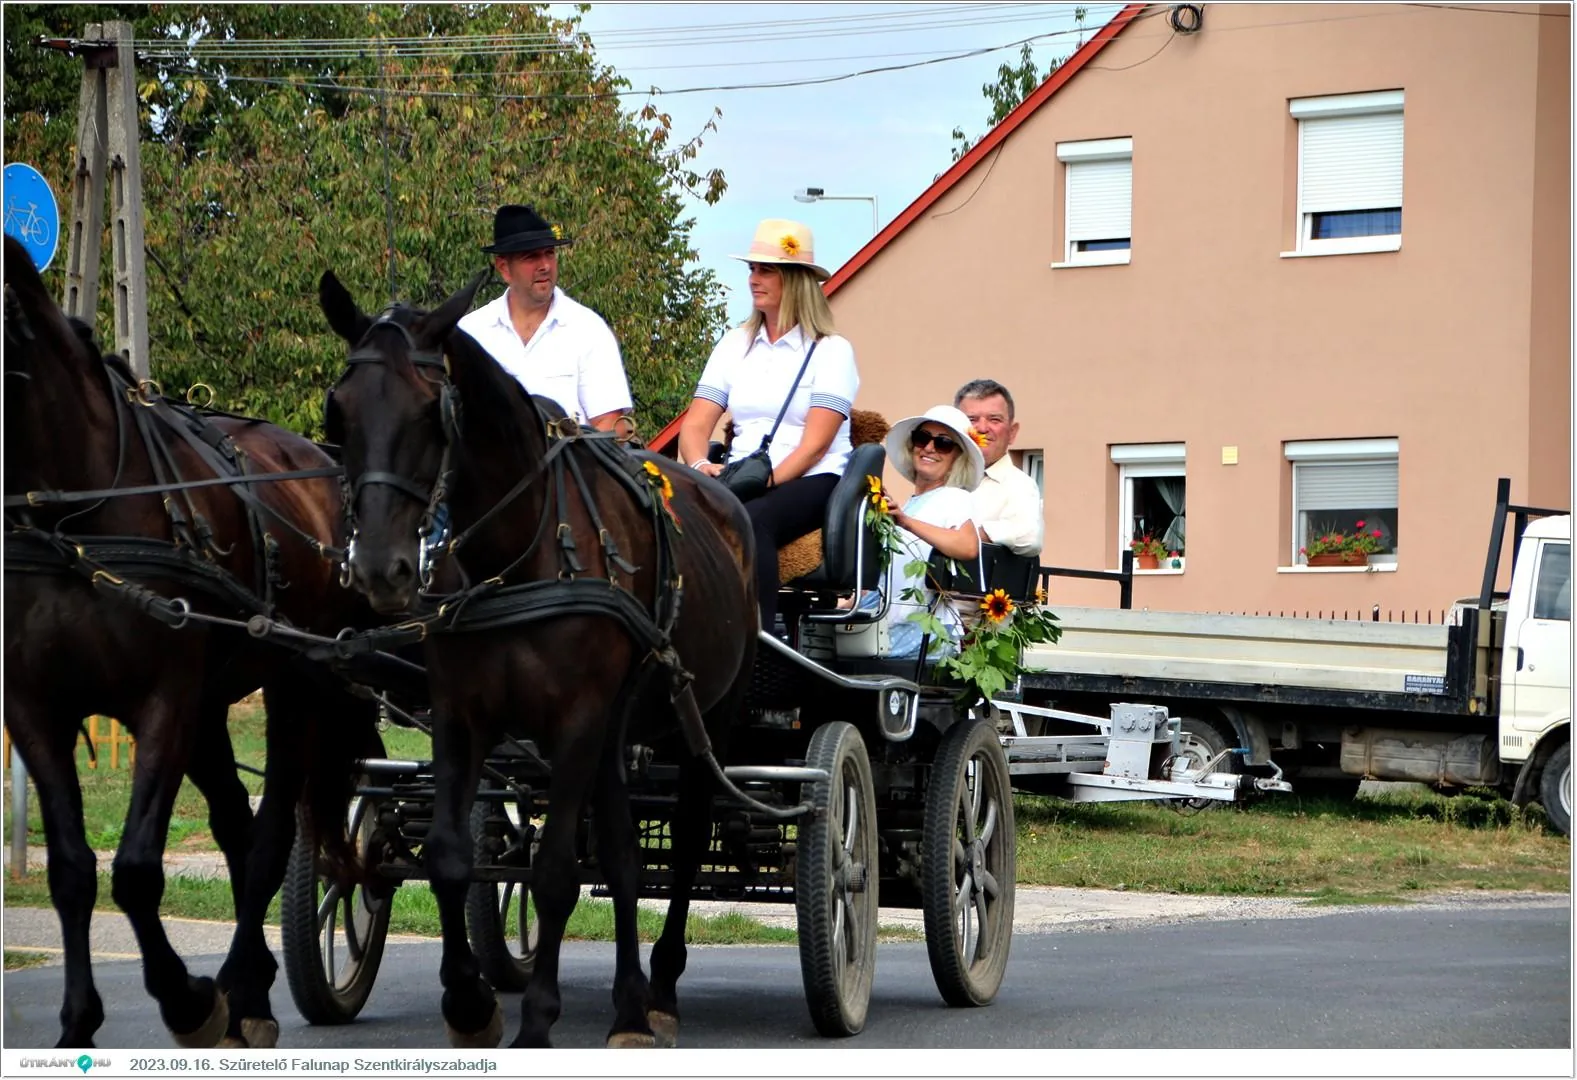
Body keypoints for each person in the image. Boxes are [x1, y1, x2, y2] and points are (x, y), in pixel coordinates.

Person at [677, 218, 859, 635]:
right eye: (751, 270)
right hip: (741, 473)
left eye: (766, 270)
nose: (753, 279)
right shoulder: (733, 344)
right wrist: (700, 466)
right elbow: (696, 424)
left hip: (812, 477)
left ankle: (755, 640)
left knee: (751, 518)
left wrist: (765, 482)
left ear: (795, 280)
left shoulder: (832, 352)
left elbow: (815, 446)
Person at [457, 203, 632, 431]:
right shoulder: (471, 333)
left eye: (549, 253)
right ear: (504, 268)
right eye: (531, 257)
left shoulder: (589, 330)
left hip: (573, 465)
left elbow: (610, 427)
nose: (545, 265)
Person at [868, 405, 984, 659]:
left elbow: (967, 546)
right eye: (922, 438)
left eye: (943, 443)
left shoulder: (954, 497)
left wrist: (906, 522)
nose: (929, 448)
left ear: (957, 456)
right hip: (894, 627)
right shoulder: (912, 503)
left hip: (924, 634)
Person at [954, 378, 1043, 557]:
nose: (982, 428)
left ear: (1012, 432)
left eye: (994, 419)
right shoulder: (943, 478)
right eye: (972, 419)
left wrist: (963, 537)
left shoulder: (1020, 485)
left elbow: (1029, 535)